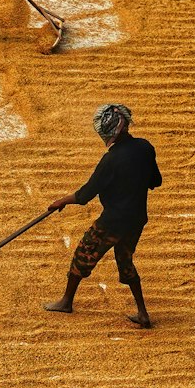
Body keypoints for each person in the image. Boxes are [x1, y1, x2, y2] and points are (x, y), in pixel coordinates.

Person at [45, 104, 162, 328]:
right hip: (136, 220)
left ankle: (66, 301)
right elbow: (156, 181)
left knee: (84, 252)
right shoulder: (145, 147)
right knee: (126, 261)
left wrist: (61, 201)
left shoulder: (111, 160)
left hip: (113, 222)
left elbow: (85, 194)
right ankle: (142, 313)